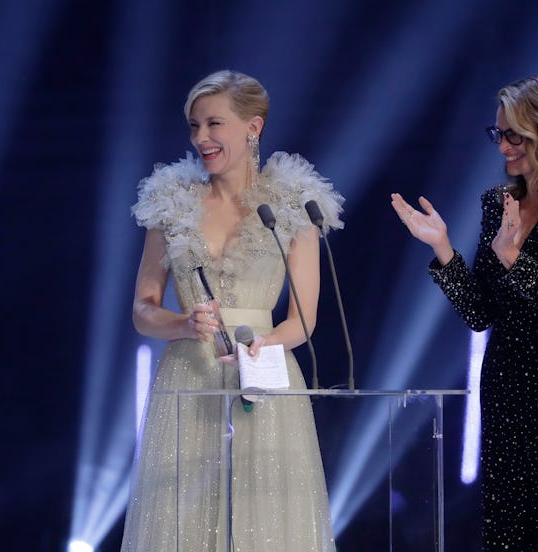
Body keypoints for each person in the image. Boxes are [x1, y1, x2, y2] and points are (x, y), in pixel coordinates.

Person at [391, 75, 538, 551]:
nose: (504, 148)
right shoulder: (499, 204)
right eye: (499, 134)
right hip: (506, 383)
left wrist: (515, 258)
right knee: (507, 532)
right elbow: (480, 312)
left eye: (515, 135)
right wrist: (443, 249)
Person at [121, 70, 343, 551]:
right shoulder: (170, 204)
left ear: (253, 127)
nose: (202, 138)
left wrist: (267, 344)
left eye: (214, 124)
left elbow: (304, 320)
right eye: (195, 126)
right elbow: (143, 309)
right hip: (188, 375)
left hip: (263, 370)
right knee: (181, 521)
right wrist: (182, 323)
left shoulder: (292, 205)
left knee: (266, 520)